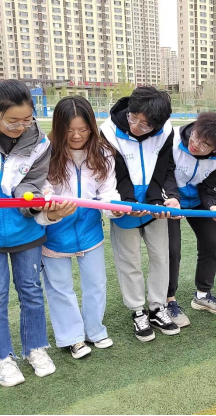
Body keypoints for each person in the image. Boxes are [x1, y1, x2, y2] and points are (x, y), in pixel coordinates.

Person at [41, 96, 123, 360]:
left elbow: (108, 191)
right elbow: (42, 189)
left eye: (83, 129)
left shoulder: (104, 153)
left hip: (89, 229)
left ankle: (95, 330)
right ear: (59, 127)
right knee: (60, 287)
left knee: (96, 283)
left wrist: (114, 207)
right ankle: (72, 338)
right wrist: (49, 204)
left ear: (92, 127)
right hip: (54, 230)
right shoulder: (45, 152)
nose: (77, 136)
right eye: (70, 130)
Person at [99, 87, 181, 343]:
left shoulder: (166, 131)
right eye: (133, 118)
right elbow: (114, 173)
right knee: (130, 260)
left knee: (160, 257)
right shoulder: (108, 131)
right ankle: (137, 310)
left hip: (155, 207)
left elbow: (165, 167)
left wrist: (164, 198)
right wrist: (127, 202)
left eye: (145, 125)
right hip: (124, 205)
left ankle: (157, 308)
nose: (136, 127)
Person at [0, 80, 59, 387]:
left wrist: (32, 201)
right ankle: (3, 357)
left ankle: (35, 348)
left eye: (27, 120)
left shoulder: (39, 143)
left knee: (31, 291)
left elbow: (32, 183)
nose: (21, 127)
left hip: (26, 233)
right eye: (13, 121)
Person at [167, 113, 216, 325]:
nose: (195, 144)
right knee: (172, 249)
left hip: (197, 201)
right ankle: (168, 301)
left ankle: (202, 295)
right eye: (196, 136)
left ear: (215, 150)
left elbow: (208, 188)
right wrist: (172, 198)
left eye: (205, 144)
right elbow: (166, 174)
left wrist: (213, 206)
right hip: (171, 199)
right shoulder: (172, 140)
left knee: (211, 244)